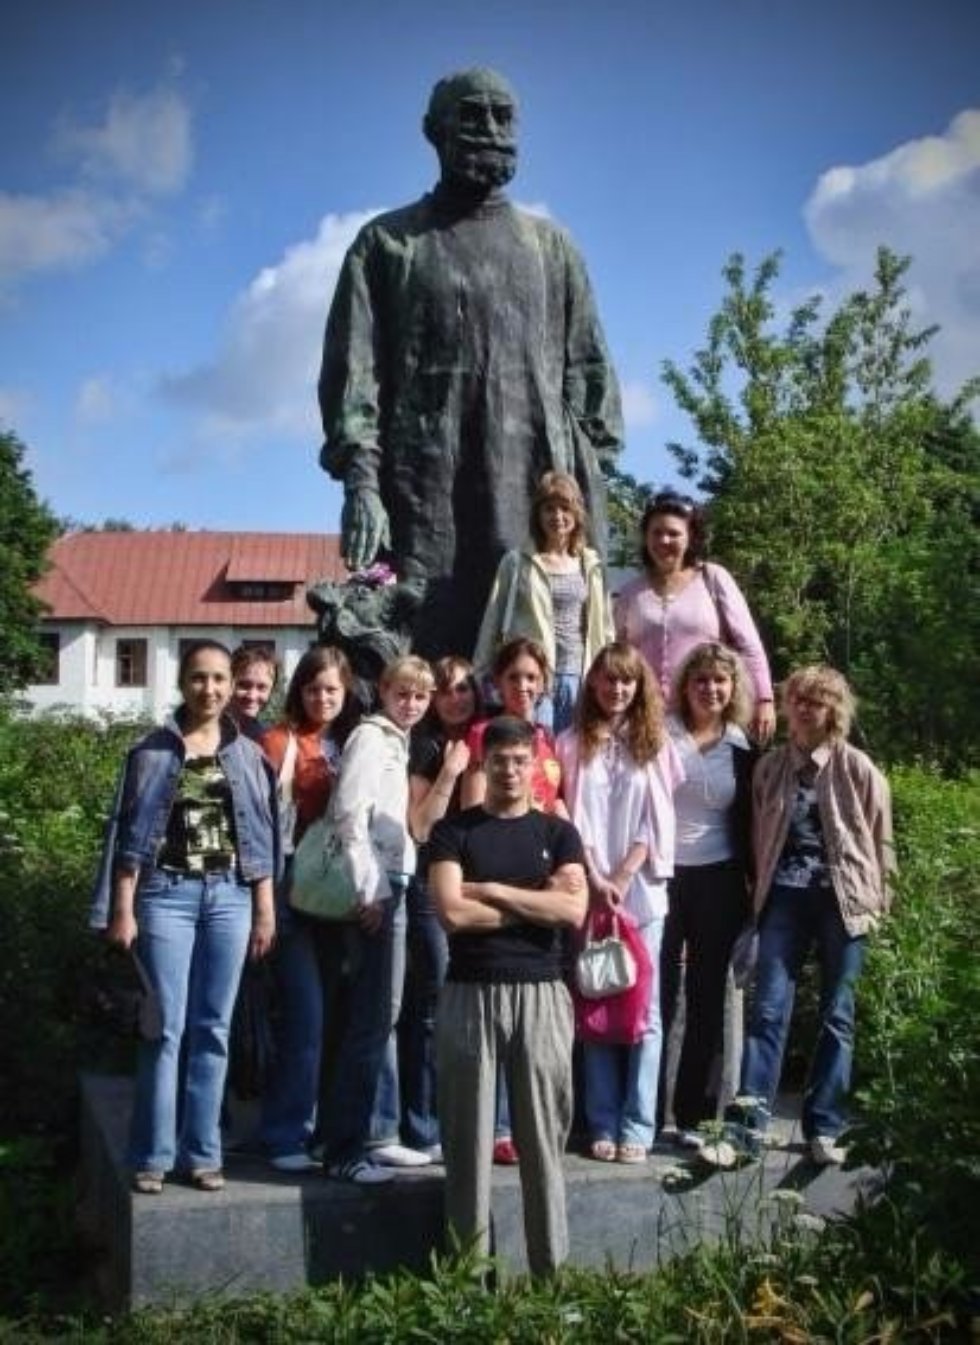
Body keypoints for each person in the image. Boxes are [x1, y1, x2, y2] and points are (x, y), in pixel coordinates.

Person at [319, 67, 623, 658]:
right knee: (418, 662)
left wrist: (584, 494)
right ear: (433, 130)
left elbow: (591, 380)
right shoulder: (387, 244)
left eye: (503, 116)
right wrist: (362, 483)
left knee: (528, 662)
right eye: (473, 115)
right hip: (421, 498)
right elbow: (353, 375)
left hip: (533, 497)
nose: (490, 129)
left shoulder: (553, 248)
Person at [90, 640, 279, 1194]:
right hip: (165, 896)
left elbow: (262, 836)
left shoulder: (249, 755)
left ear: (230, 685)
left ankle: (202, 1154)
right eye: (199, 677)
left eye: (219, 678)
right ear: (182, 682)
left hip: (230, 898)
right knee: (164, 1027)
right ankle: (152, 1155)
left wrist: (265, 910)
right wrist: (121, 908)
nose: (210, 689)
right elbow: (126, 835)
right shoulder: (150, 751)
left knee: (213, 1029)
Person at [702, 666, 894, 1170]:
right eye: (799, 700)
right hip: (783, 899)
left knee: (837, 1015)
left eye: (817, 701)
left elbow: (882, 842)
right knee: (767, 1011)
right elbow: (755, 838)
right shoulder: (770, 768)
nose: (806, 709)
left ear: (835, 710)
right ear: (787, 705)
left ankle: (825, 1127)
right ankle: (746, 1129)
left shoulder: (857, 769)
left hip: (844, 903)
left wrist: (882, 906)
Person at [429, 716, 588, 1275]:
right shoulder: (453, 832)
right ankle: (468, 1279)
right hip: (470, 993)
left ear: (536, 764)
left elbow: (572, 910)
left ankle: (551, 1277)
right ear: (484, 762)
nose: (511, 770)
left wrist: (492, 890)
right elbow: (452, 913)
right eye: (500, 760)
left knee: (543, 1140)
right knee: (468, 1144)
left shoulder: (558, 834)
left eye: (521, 760)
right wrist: (534, 901)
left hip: (541, 992)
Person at [556, 642, 683, 1164]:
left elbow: (659, 819)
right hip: (588, 891)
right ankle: (601, 1120)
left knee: (644, 1010)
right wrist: (594, 876)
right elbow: (568, 818)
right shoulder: (570, 743)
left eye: (627, 680)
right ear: (593, 683)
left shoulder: (655, 744)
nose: (617, 689)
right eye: (609, 679)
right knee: (596, 1000)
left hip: (641, 892)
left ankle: (639, 1122)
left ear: (639, 687)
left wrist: (624, 874)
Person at [320, 655, 434, 1184]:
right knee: (370, 1021)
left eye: (420, 696)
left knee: (382, 1016)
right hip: (378, 889)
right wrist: (368, 889)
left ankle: (373, 1135)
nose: (410, 703)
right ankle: (344, 1150)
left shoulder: (398, 741)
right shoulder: (370, 738)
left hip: (396, 884)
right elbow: (348, 813)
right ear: (383, 692)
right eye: (401, 693)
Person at [258, 646, 360, 1171]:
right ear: (299, 690)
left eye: (332, 690)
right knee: (305, 1016)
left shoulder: (349, 742)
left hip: (338, 893)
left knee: (337, 1018)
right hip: (292, 888)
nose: (323, 698)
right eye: (314, 688)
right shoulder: (280, 742)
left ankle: (322, 1127)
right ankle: (284, 1132)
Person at [660, 642, 756, 1147]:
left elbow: (754, 822)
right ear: (685, 686)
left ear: (732, 687)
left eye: (720, 680)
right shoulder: (659, 734)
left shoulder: (743, 747)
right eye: (701, 680)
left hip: (719, 878)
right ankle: (647, 1113)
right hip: (660, 874)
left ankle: (693, 1115)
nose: (711, 689)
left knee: (705, 998)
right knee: (656, 995)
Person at [398, 656, 481, 1154]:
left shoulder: (487, 739)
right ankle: (423, 1124)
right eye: (446, 690)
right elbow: (421, 825)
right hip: (432, 885)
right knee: (432, 1005)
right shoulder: (426, 747)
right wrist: (450, 772)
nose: (456, 698)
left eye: (464, 688)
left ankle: (466, 1120)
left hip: (479, 889)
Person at [614, 492, 775, 744]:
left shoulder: (712, 579)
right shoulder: (630, 592)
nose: (664, 540)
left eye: (673, 533)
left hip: (705, 719)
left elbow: (749, 644)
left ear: (690, 537)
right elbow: (617, 656)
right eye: (656, 533)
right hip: (646, 721)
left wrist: (764, 699)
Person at [473, 471, 613, 732]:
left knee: (573, 752)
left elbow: (604, 627)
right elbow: (493, 618)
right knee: (535, 751)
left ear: (577, 513)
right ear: (538, 514)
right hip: (531, 679)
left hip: (580, 678)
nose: (557, 516)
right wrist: (479, 673)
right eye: (549, 508)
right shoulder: (517, 562)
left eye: (565, 508)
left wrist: (609, 673)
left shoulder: (591, 564)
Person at [229, 644, 279, 741]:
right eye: (243, 685)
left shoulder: (268, 739)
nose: (252, 696)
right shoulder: (205, 733)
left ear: (272, 690)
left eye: (262, 687)